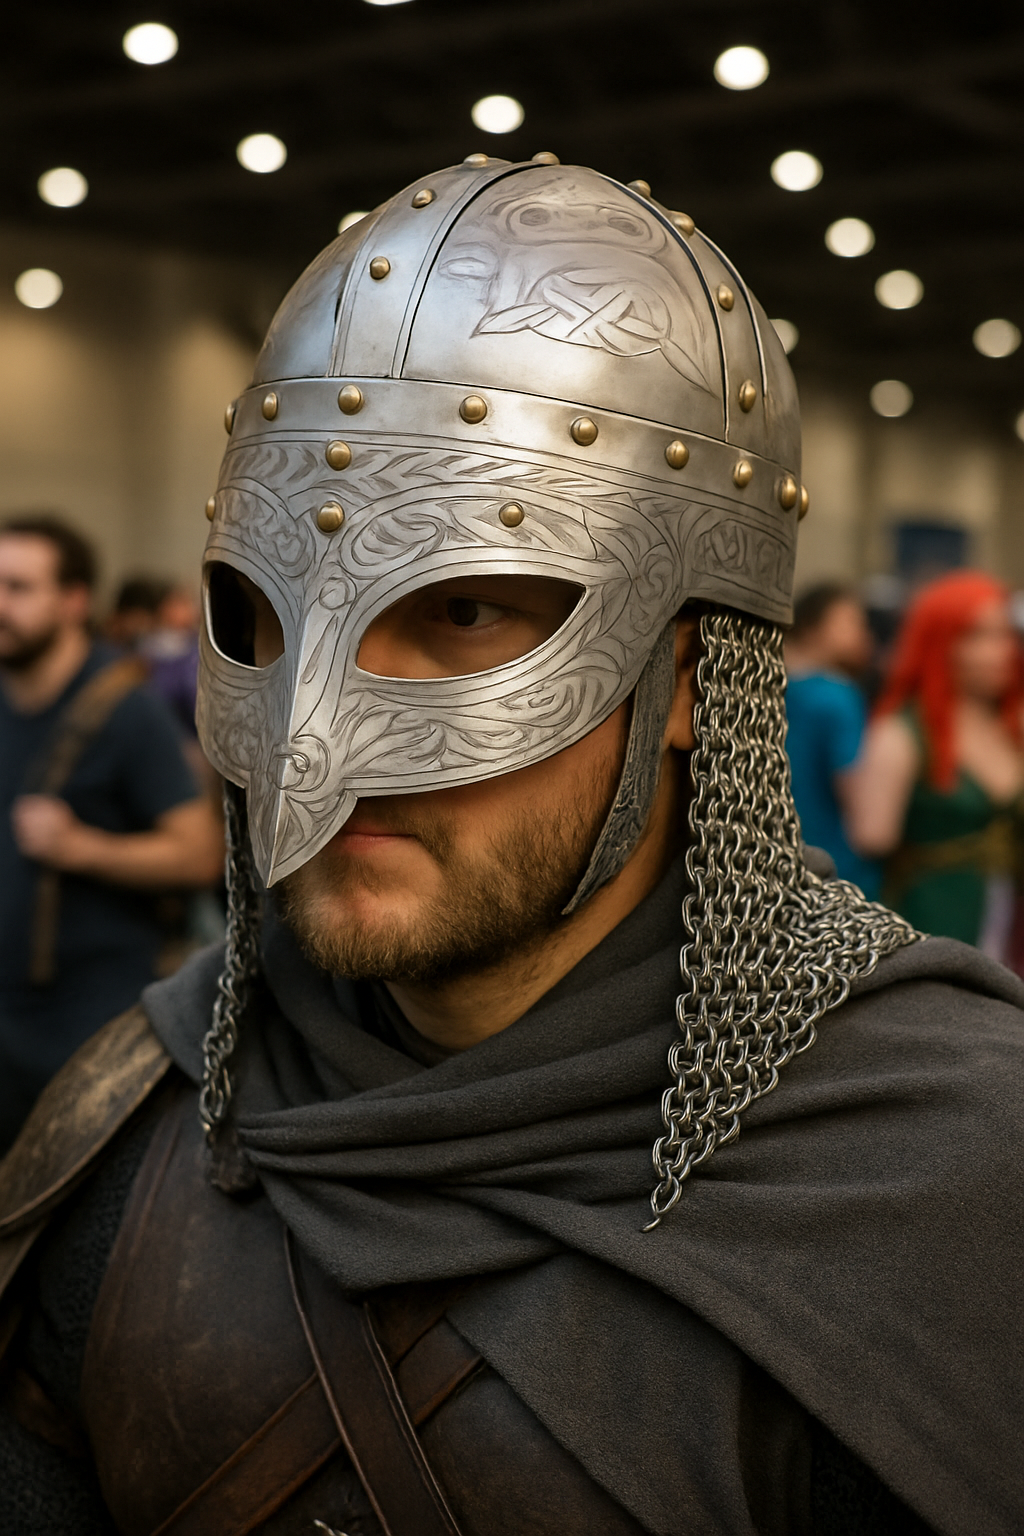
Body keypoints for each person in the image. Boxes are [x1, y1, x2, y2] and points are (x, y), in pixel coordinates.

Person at [1, 159, 1022, 1536]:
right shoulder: (141, 1108)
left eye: (468, 614)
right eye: (263, 613)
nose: (319, 751)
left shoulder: (958, 1168)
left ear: (694, 680)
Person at [0, 516, 224, 1149]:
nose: (1, 605)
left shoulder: (127, 711)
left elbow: (199, 854)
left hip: (88, 1035)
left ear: (74, 602)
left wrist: (80, 847)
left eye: (19, 588)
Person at [849, 570, 1024, 966]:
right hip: (930, 926)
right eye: (975, 635)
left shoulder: (1014, 725)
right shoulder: (900, 734)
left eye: (1003, 634)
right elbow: (873, 836)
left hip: (1011, 931)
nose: (998, 651)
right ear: (938, 641)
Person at [784, 582, 880, 895]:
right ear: (812, 628)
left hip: (778, 857)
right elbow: (857, 796)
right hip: (837, 865)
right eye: (850, 622)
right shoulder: (837, 697)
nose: (862, 634)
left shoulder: (765, 688)